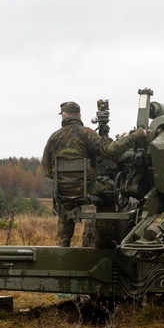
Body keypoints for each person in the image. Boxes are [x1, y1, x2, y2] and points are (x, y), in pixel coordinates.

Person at [42, 101, 147, 247]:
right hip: (87, 187)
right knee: (110, 192)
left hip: (62, 190)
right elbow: (111, 152)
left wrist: (63, 180)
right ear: (79, 115)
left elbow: (46, 168)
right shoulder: (87, 134)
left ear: (64, 115)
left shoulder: (53, 138)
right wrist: (136, 135)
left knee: (66, 201)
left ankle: (65, 240)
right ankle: (103, 241)